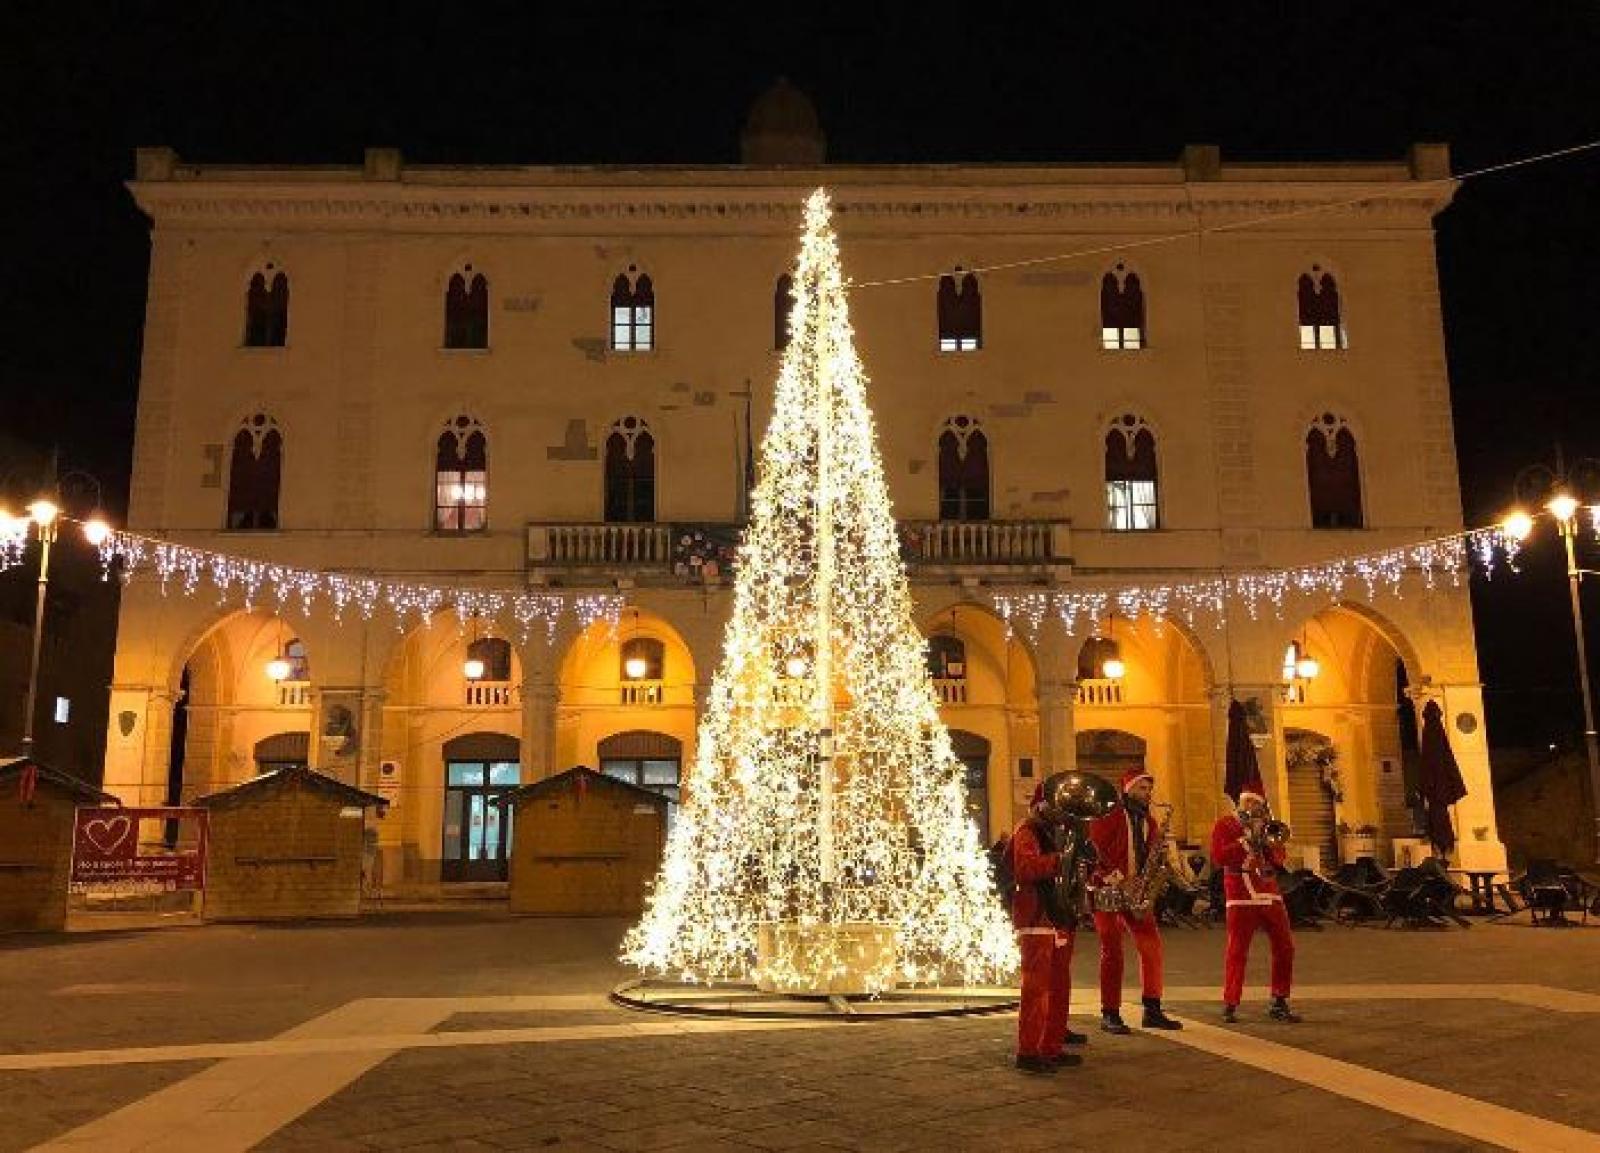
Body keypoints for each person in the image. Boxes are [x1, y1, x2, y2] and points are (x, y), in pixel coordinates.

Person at [1008, 773, 1099, 1073]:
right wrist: (1063, 860)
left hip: (1060, 914)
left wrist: (1085, 864)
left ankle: (1052, 1045)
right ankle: (1029, 1052)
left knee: (1060, 984)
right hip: (1036, 914)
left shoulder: (1065, 832)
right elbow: (1025, 868)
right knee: (1037, 986)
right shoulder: (1028, 830)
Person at [1088, 767, 1182, 1033]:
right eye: (1142, 788)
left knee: (1152, 946)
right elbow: (1095, 850)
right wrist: (1119, 879)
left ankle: (1152, 1008)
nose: (1148, 793)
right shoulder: (1109, 815)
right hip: (1107, 889)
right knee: (1112, 950)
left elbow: (1148, 856)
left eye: (1150, 788)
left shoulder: (1149, 821)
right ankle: (1110, 1012)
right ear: (1128, 789)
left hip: (1137, 891)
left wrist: (1159, 854)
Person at [1211, 783, 1300, 1023]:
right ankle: (1230, 1002)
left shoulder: (1268, 824)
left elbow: (1279, 860)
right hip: (1240, 892)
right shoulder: (1225, 825)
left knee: (1285, 946)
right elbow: (1219, 857)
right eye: (1248, 802)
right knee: (1237, 949)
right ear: (1240, 802)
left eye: (1257, 803)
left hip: (1268, 891)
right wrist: (1245, 841)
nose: (1252, 807)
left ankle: (1279, 1000)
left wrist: (1270, 843)